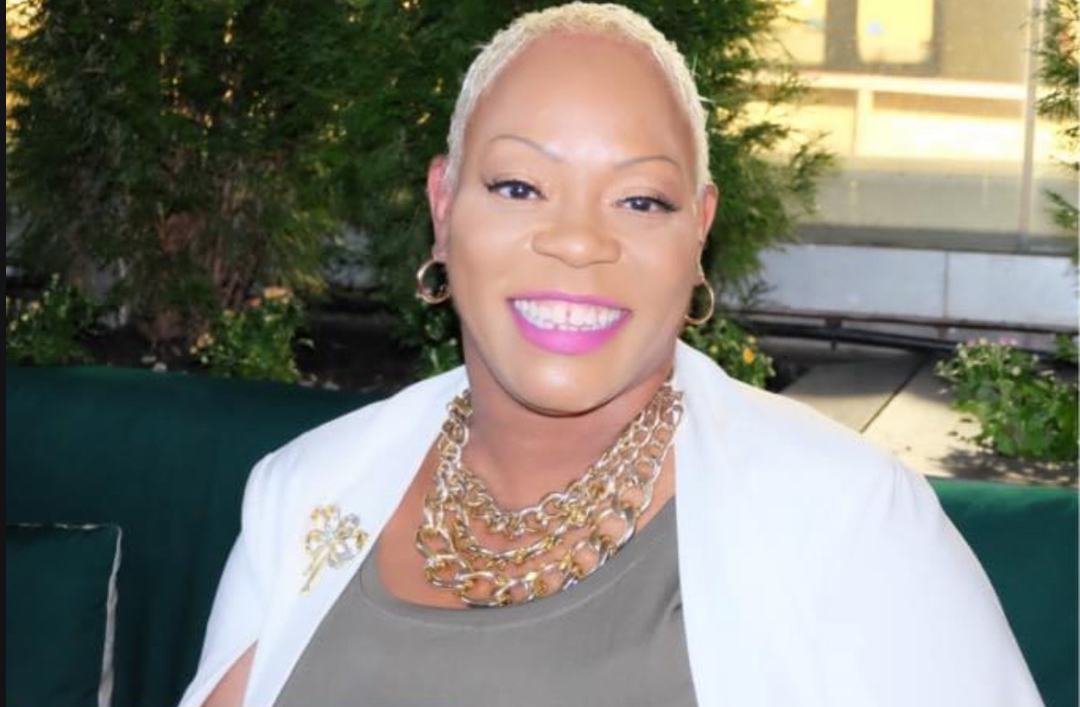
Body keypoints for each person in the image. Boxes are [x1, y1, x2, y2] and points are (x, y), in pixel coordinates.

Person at [179, 4, 1045, 706]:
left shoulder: (848, 517)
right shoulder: (304, 490)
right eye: (520, 186)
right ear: (443, 207)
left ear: (697, 231)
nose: (578, 240)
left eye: (639, 200)